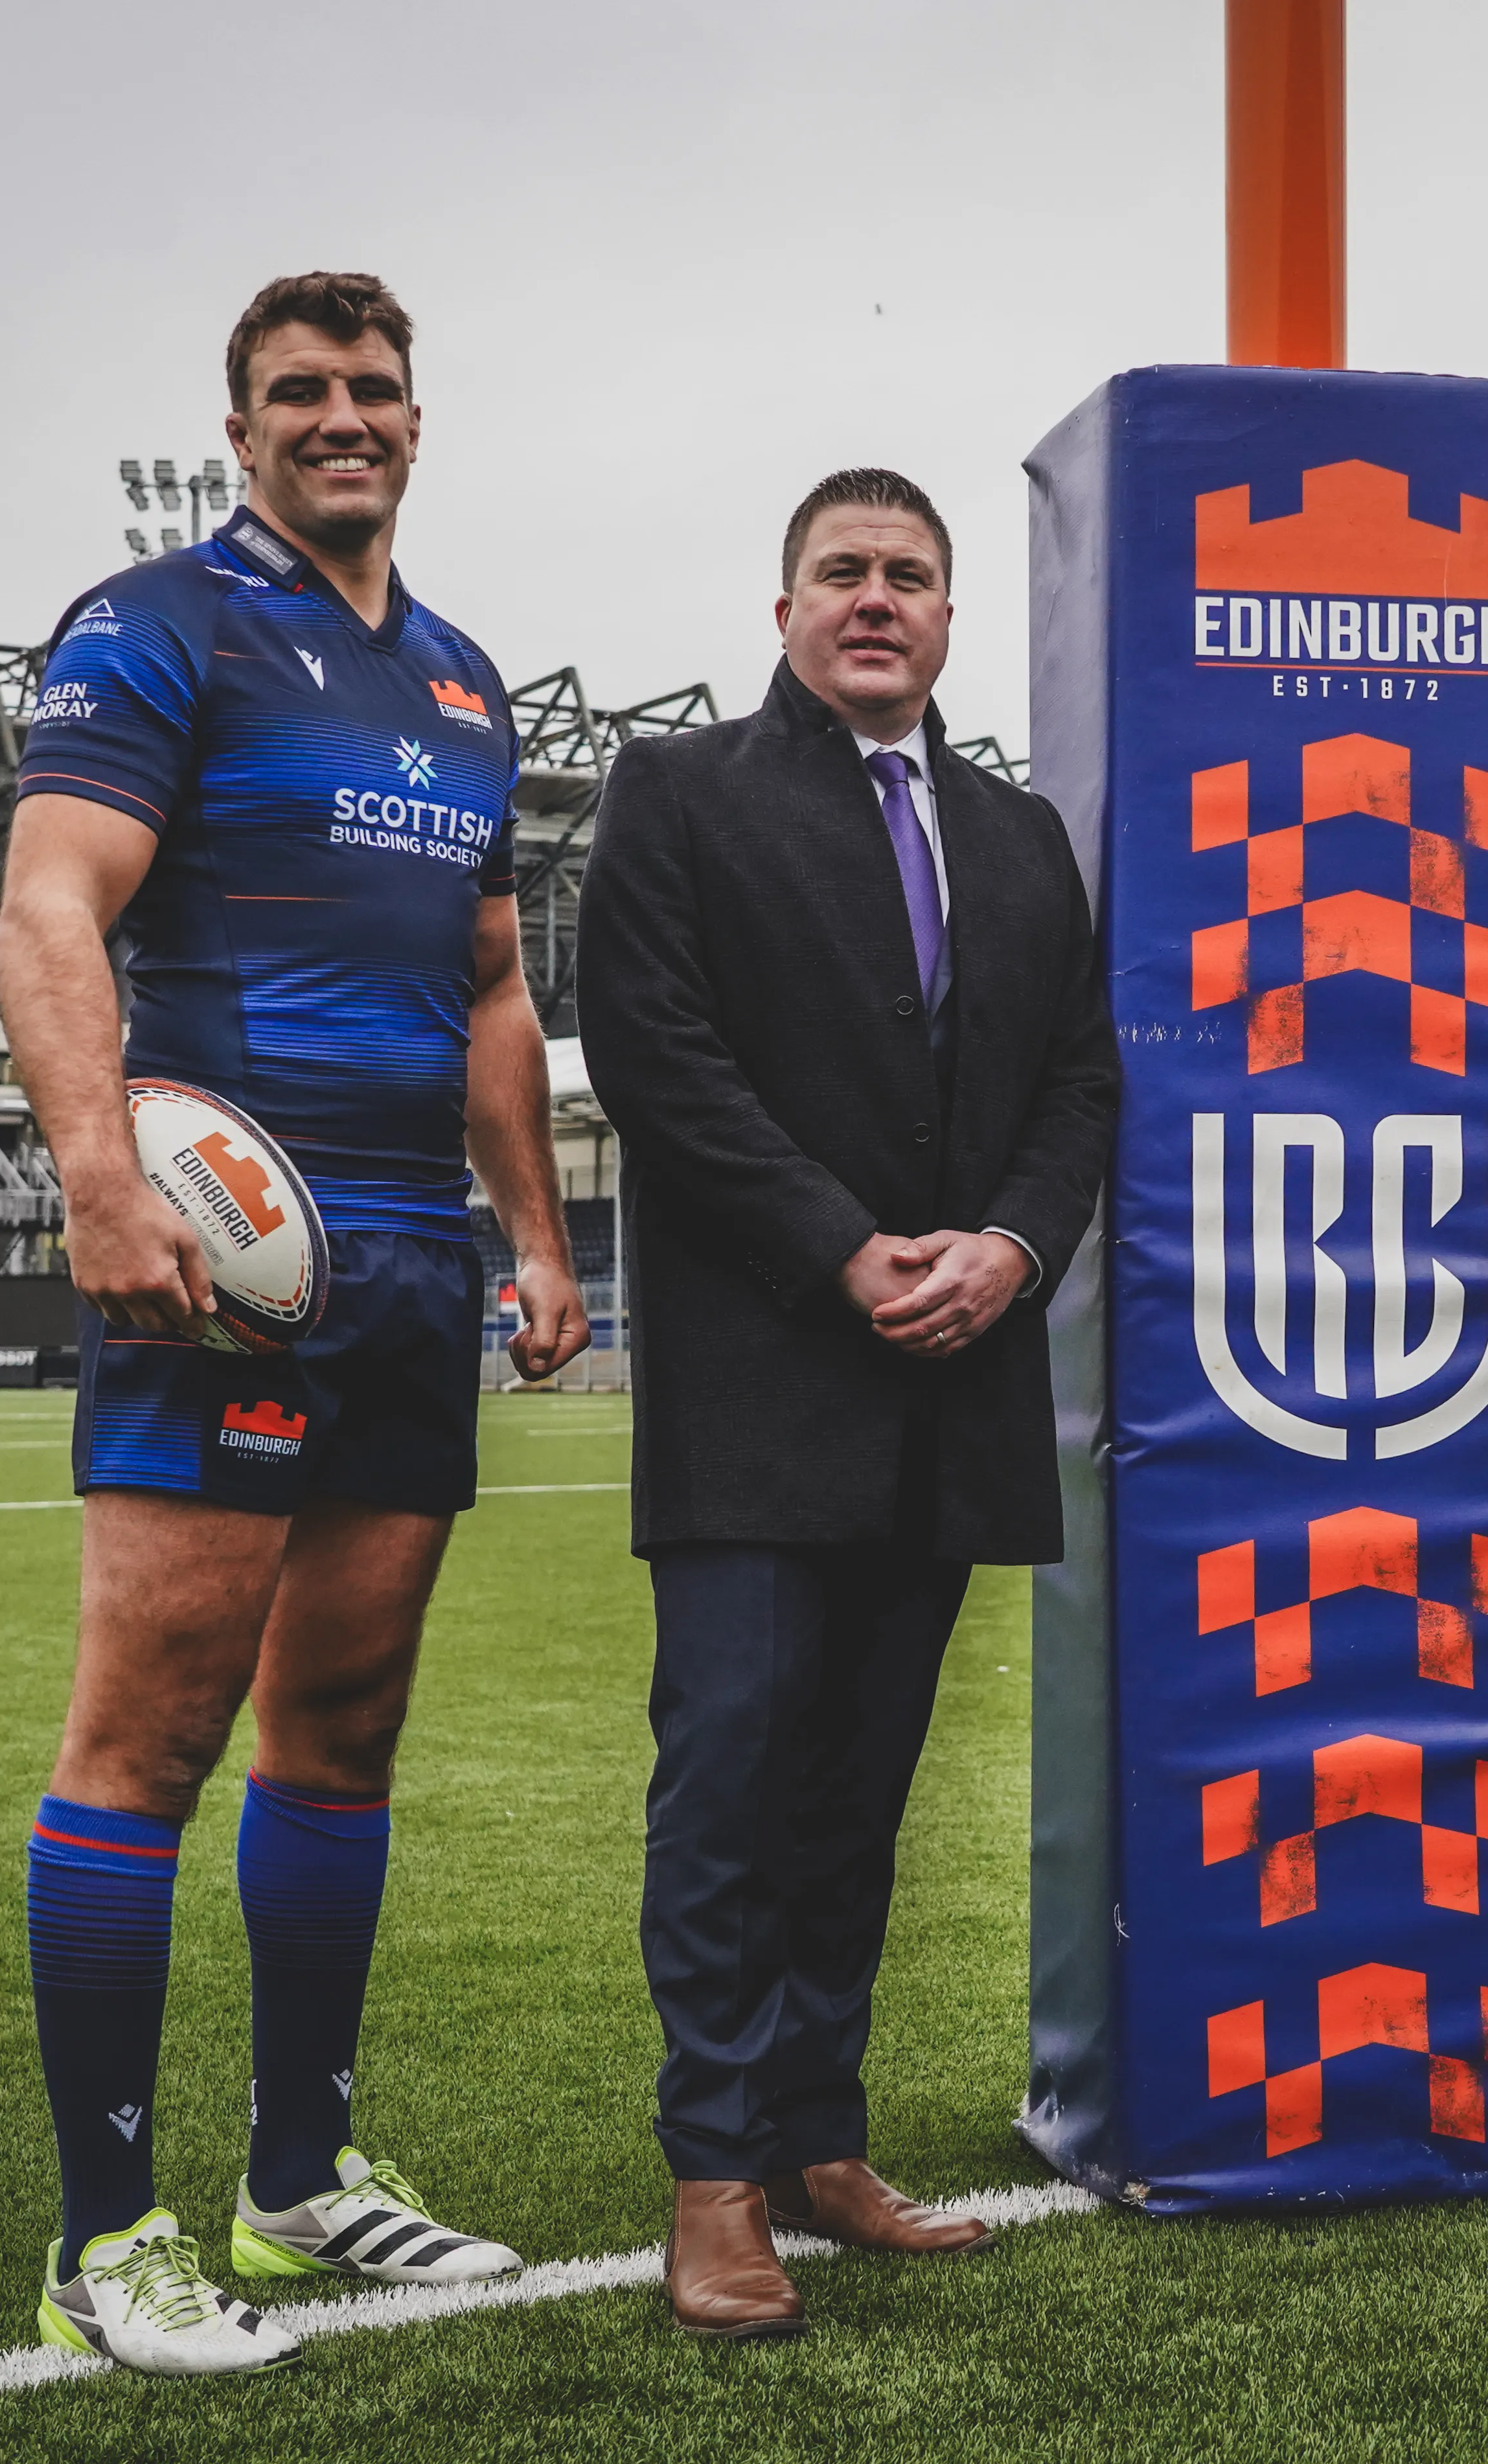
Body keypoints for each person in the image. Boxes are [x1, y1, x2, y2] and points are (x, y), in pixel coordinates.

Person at [0, 271, 588, 2377]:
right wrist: (98, 1177)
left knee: (343, 1730)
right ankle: (100, 2239)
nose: (341, 417)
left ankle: (299, 2182)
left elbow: (497, 983)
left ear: (419, 423)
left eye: (373, 390)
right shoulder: (159, 622)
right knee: (148, 1741)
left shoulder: (460, 680)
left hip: (419, 1268)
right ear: (240, 431)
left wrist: (536, 1233)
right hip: (225, 1257)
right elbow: (49, 900)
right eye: (297, 394)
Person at [572, 468, 1117, 2340]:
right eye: (842, 573)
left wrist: (1013, 1252)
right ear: (783, 607)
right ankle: (712, 2172)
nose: (875, 599)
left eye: (908, 575)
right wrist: (847, 1247)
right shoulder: (681, 794)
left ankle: (818, 2135)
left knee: (859, 1797)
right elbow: (653, 1052)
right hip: (760, 1387)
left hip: (950, 1390)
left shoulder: (1020, 836)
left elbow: (1080, 1086)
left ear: (950, 618)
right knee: (729, 1784)